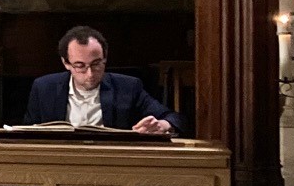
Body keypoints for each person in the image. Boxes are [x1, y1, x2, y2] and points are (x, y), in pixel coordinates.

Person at [23, 25, 184, 134]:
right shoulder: (44, 88)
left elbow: (175, 119)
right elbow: (27, 132)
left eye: (96, 64)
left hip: (111, 167)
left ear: (105, 58)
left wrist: (163, 125)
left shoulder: (127, 87)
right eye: (80, 66)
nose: (90, 73)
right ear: (66, 63)